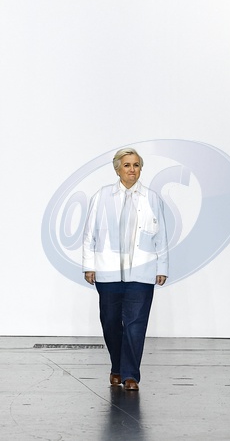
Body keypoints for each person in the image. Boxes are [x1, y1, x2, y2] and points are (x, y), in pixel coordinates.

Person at [82, 147, 169, 391]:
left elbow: (161, 235)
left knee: (135, 324)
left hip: (142, 272)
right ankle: (117, 368)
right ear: (117, 169)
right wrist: (89, 265)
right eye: (127, 165)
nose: (132, 170)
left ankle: (131, 375)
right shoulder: (102, 196)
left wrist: (162, 267)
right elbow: (89, 234)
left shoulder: (151, 198)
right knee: (110, 322)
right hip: (108, 272)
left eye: (136, 165)